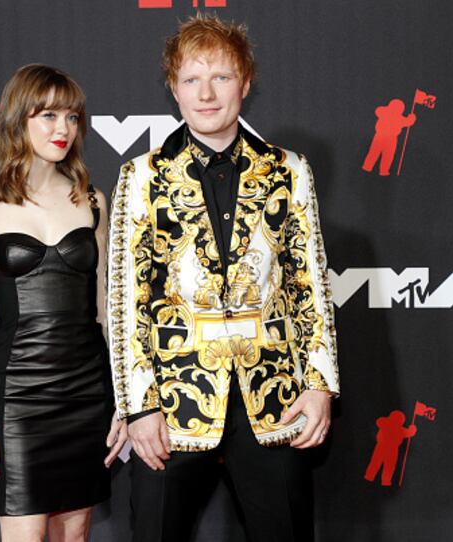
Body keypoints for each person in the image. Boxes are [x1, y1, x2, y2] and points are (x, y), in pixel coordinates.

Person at [107, 15, 339, 542]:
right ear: (174, 89)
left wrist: (320, 385)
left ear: (246, 84)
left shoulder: (289, 169)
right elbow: (126, 299)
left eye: (221, 77)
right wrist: (139, 406)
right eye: (191, 79)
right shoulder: (140, 176)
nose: (206, 94)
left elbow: (310, 284)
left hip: (276, 401)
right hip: (173, 405)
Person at [0, 64, 127, 542]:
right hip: (18, 394)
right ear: (19, 119)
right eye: (49, 115)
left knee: (74, 538)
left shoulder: (93, 201)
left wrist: (122, 400)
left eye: (72, 117)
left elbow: (106, 310)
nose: (63, 129)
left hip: (87, 390)